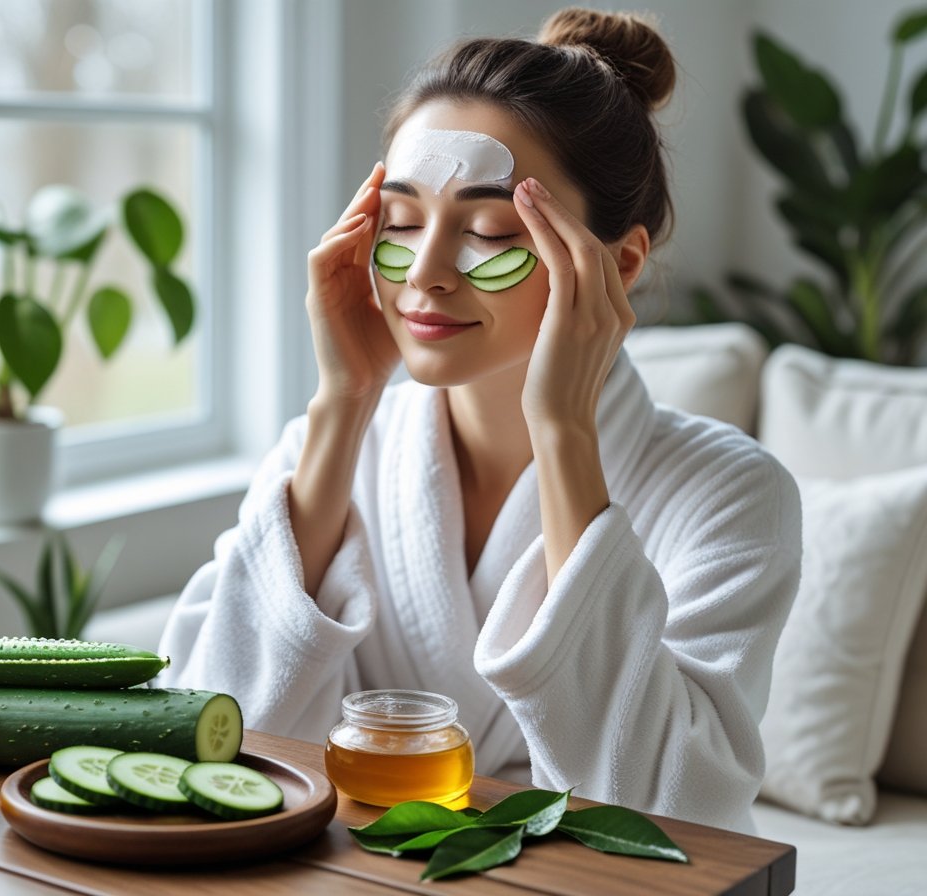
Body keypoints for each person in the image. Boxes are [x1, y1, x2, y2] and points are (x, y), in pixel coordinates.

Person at [158, 7, 801, 833]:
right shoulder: (325, 454)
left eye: (490, 232)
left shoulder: (734, 494)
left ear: (621, 263)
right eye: (401, 222)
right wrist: (343, 402)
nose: (423, 273)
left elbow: (671, 813)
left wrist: (565, 431)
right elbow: (208, 749)